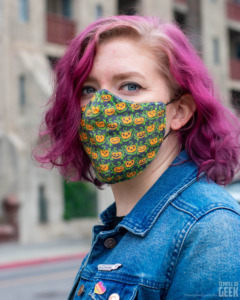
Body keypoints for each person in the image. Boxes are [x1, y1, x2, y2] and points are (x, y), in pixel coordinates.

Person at [35, 15, 240, 299]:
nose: (101, 107)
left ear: (179, 111)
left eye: (130, 86)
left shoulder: (210, 229)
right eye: (88, 89)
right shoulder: (118, 227)